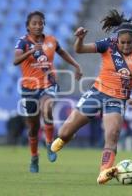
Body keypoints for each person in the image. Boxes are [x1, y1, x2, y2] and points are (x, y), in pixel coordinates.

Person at [51, 10, 132, 184]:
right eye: (123, 42)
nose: (126, 46)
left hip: (118, 99)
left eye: (130, 43)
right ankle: (68, 135)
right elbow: (80, 49)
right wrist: (80, 38)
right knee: (63, 132)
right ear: (117, 39)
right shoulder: (108, 44)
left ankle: (104, 172)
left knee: (112, 135)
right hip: (97, 93)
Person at [14, 11, 83, 173]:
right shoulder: (23, 42)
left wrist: (76, 66)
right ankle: (34, 157)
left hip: (48, 83)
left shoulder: (51, 40)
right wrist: (31, 51)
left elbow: (62, 52)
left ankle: (50, 143)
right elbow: (15, 61)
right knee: (32, 126)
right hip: (29, 87)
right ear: (28, 26)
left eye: (40, 23)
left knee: (48, 108)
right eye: (34, 23)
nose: (38, 26)